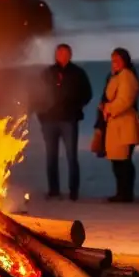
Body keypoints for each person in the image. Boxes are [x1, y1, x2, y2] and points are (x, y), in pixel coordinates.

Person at [35, 43, 92, 201]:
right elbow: (36, 93)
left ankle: (74, 191)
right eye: (59, 53)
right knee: (51, 157)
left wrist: (74, 107)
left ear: (70, 55)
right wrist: (41, 113)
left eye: (64, 53)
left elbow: (87, 94)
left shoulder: (78, 73)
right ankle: (54, 190)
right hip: (49, 121)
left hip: (68, 120)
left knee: (71, 156)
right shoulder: (48, 73)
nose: (61, 55)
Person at [99, 48, 139, 203]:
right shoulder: (117, 76)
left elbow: (125, 100)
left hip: (125, 124)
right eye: (113, 60)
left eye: (117, 60)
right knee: (118, 160)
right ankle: (122, 191)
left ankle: (126, 193)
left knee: (123, 161)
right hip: (117, 123)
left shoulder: (127, 76)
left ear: (125, 61)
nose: (114, 64)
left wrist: (109, 108)